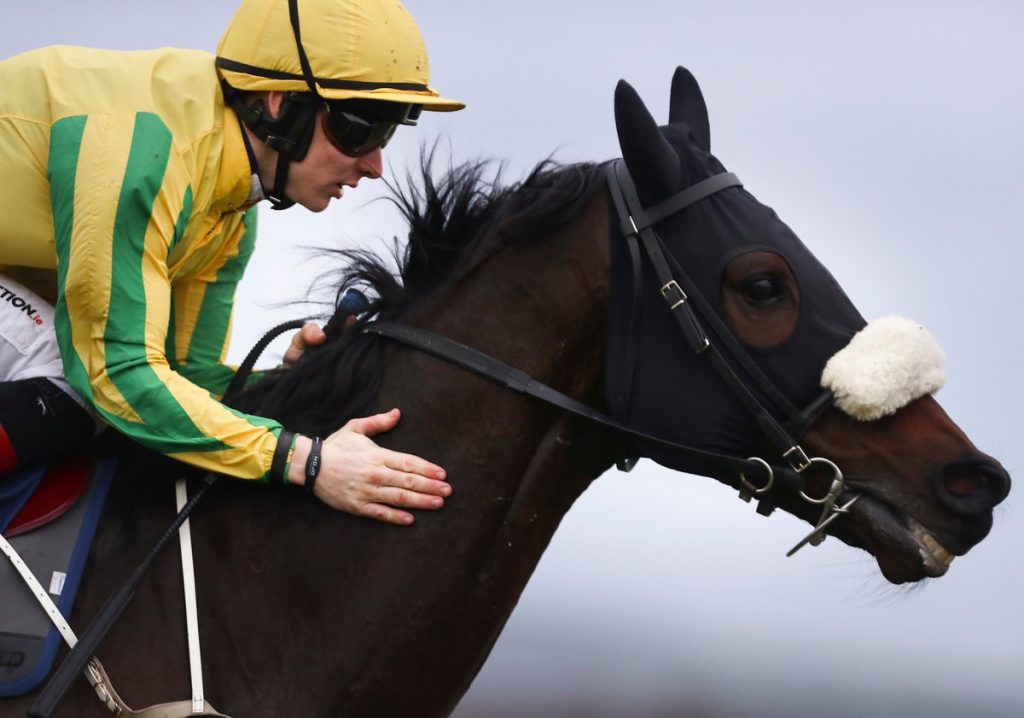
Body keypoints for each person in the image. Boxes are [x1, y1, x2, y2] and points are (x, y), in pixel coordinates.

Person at [0, 0, 464, 525]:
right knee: (75, 377)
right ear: (277, 104)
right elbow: (114, 375)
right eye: (360, 129)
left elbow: (182, 375)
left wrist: (286, 381)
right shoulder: (143, 157)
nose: (375, 165)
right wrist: (306, 462)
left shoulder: (231, 212)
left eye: (388, 133)